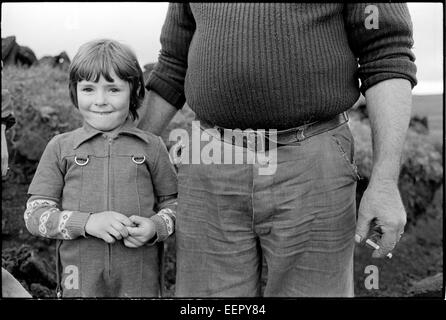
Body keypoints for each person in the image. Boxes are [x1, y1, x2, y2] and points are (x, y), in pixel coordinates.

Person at [138, 3, 417, 297]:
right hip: (209, 161)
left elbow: (386, 52)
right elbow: (172, 64)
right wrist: (128, 157)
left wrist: (385, 181)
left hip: (313, 161)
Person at [23, 39, 178, 297]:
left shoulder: (153, 147)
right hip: (79, 284)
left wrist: (156, 227)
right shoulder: (60, 147)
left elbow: (176, 207)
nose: (100, 100)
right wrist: (87, 223)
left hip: (140, 283)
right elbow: (34, 216)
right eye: (88, 89)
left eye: (113, 89)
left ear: (134, 90)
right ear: (75, 91)